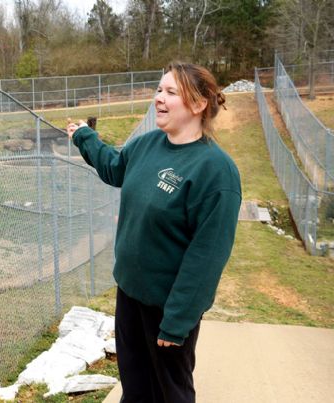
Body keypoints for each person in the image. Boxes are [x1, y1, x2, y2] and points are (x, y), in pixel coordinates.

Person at [67, 61, 241, 403]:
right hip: (130, 293)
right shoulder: (148, 144)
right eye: (159, 90)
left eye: (171, 92)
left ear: (198, 104)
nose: (159, 98)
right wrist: (84, 138)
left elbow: (207, 256)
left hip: (168, 307)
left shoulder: (216, 172)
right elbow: (115, 168)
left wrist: (178, 320)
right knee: (135, 387)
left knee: (170, 392)